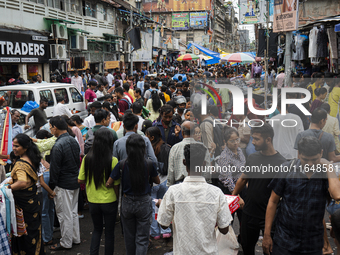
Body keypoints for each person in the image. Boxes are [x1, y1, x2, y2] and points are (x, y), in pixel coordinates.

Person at [263, 136, 340, 255]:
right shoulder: (286, 168)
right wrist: (267, 235)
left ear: (321, 153)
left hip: (313, 242)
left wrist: (328, 166)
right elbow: (273, 201)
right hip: (285, 240)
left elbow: (337, 195)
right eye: (305, 159)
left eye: (314, 159)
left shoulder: (326, 172)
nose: (310, 164)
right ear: (299, 154)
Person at [157, 143, 232, 254]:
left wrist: (161, 204)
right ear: (204, 164)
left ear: (184, 162)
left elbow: (164, 224)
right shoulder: (216, 193)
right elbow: (224, 229)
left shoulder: (173, 192)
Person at [232, 123, 286, 255]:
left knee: (270, 249)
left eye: (256, 139)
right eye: (252, 138)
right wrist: (234, 197)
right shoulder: (253, 157)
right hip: (250, 212)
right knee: (246, 246)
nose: (253, 142)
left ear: (268, 140)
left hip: (270, 216)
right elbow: (243, 179)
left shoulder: (281, 163)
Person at [106, 134, 160, 255]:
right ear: (143, 148)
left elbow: (109, 182)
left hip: (127, 202)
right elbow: (157, 181)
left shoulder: (121, 164)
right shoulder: (149, 163)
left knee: (129, 237)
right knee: (142, 238)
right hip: (144, 202)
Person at [78, 128, 120, 255]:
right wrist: (117, 199)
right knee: (109, 232)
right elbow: (116, 184)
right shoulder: (113, 160)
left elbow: (80, 180)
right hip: (110, 201)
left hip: (93, 201)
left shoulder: (87, 158)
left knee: (97, 230)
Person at [49, 116, 81, 251]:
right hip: (74, 181)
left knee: (64, 214)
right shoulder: (73, 140)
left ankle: (66, 242)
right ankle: (75, 238)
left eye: (50, 127)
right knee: (72, 212)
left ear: (55, 128)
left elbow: (54, 170)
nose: (50, 129)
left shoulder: (58, 145)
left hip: (63, 184)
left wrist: (51, 188)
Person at [9, 134, 44, 254]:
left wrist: (8, 187)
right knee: (34, 232)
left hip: (24, 206)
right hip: (33, 202)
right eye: (13, 145)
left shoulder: (20, 163)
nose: (14, 148)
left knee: (25, 235)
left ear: (26, 147)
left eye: (17, 146)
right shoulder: (32, 158)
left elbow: (23, 182)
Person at [145, 127, 172, 240]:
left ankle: (155, 232)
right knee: (164, 206)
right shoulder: (167, 147)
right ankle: (166, 230)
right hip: (165, 182)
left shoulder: (148, 148)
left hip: (154, 182)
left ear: (151, 137)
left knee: (153, 209)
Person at [167, 121, 210, 186]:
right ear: (194, 133)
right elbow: (207, 169)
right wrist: (207, 183)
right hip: (199, 183)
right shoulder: (203, 147)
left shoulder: (175, 148)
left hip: (180, 184)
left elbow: (171, 170)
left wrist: (170, 185)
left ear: (182, 132)